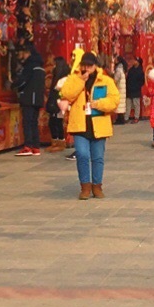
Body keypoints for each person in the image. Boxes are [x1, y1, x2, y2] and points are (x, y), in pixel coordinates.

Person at [57, 52, 120, 198]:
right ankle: (85, 186)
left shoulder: (105, 80)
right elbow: (66, 94)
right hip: (80, 124)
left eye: (89, 66)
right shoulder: (74, 78)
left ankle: (97, 186)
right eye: (84, 65)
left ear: (95, 66)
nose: (86, 68)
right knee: (82, 155)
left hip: (99, 124)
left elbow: (114, 100)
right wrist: (80, 80)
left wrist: (98, 104)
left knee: (97, 157)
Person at [14, 43, 46, 157]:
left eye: (24, 53)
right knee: (34, 122)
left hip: (28, 98)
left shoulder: (30, 66)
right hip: (38, 99)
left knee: (27, 122)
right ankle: (36, 147)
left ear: (28, 53)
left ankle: (28, 146)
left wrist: (14, 84)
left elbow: (23, 81)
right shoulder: (41, 67)